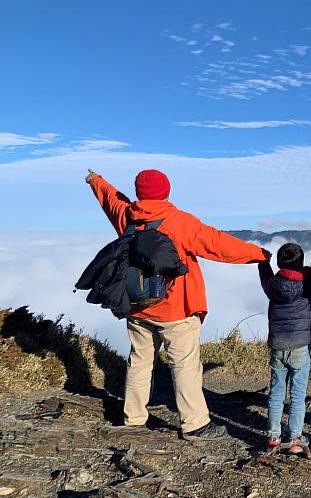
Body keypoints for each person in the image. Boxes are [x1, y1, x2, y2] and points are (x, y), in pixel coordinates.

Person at [85, 168, 269, 440]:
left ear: (139, 192)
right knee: (184, 365)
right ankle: (194, 424)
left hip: (137, 305)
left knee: (139, 361)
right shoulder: (180, 222)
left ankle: (133, 418)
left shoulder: (127, 216)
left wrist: (95, 181)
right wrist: (258, 254)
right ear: (166, 191)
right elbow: (219, 244)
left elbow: (111, 199)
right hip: (176, 309)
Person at [258, 243, 311, 452]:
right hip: (300, 346)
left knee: (276, 391)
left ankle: (273, 437)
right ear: (301, 262)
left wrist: (263, 261)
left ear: (279, 262)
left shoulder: (272, 284)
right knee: (298, 394)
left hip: (278, 344)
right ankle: (295, 437)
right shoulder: (307, 283)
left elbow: (264, 273)